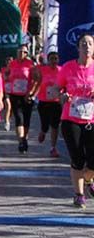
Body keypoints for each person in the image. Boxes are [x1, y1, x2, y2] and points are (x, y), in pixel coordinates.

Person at [56, 33, 94, 208]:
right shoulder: (68, 67)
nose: (87, 46)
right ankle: (79, 195)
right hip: (71, 119)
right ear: (78, 47)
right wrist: (63, 95)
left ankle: (88, 179)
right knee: (77, 158)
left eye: (90, 43)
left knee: (92, 161)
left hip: (91, 120)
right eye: (83, 43)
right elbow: (58, 89)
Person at [31, 50, 62, 158]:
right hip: (44, 102)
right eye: (51, 59)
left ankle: (53, 148)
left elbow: (65, 84)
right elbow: (36, 80)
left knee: (55, 125)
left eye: (56, 58)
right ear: (48, 60)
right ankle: (43, 131)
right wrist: (32, 93)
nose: (54, 61)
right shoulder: (42, 70)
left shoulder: (61, 70)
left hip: (56, 102)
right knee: (45, 124)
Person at [6, 45, 35, 152]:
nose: (22, 54)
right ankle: (21, 141)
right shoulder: (12, 63)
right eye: (20, 52)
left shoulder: (30, 64)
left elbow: (36, 79)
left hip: (26, 95)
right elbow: (7, 75)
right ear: (17, 52)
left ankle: (25, 138)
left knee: (26, 119)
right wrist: (7, 80)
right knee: (19, 118)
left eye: (25, 52)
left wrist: (31, 92)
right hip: (15, 94)